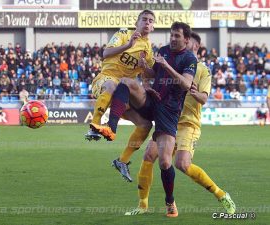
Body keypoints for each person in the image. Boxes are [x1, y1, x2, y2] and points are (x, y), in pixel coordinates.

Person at [124, 32, 236, 217]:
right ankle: (143, 206)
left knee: (182, 164)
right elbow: (154, 77)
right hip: (168, 120)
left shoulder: (202, 70)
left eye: (186, 43)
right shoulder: (173, 64)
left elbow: (204, 99)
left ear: (195, 46)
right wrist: (145, 68)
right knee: (148, 156)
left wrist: (193, 91)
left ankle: (221, 195)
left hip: (187, 124)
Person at [93, 22, 197, 217]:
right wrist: (144, 67)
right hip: (152, 100)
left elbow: (185, 84)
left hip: (169, 112)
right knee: (126, 82)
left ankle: (170, 202)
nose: (173, 39)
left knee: (165, 162)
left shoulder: (190, 58)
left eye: (177, 36)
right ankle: (111, 126)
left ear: (186, 39)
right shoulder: (164, 50)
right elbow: (152, 74)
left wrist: (166, 67)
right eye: (172, 35)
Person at [85, 9, 155, 141]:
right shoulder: (123, 33)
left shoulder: (148, 49)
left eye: (150, 21)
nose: (147, 23)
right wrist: (128, 45)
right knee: (111, 85)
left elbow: (149, 74)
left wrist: (144, 66)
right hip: (106, 78)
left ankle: (122, 160)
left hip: (123, 94)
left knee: (145, 125)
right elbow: (106, 53)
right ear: (136, 23)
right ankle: (94, 126)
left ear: (153, 27)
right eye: (144, 19)